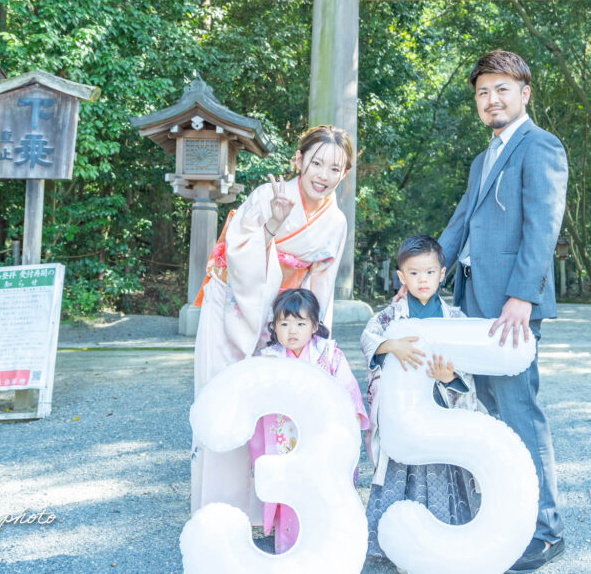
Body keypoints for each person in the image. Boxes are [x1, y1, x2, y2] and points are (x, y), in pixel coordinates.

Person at [437, 50, 568, 573]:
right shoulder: (483, 157)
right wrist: (421, 280)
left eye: (502, 90)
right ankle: (508, 511)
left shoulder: (541, 146)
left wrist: (523, 296)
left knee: (518, 407)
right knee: (486, 406)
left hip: (511, 305)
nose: (492, 99)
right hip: (472, 299)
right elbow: (460, 223)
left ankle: (546, 530)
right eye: (483, 92)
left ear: (525, 94)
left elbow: (543, 225)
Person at [190, 125, 353, 522]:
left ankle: (267, 510)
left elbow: (321, 285)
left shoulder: (335, 222)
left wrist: (310, 339)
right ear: (299, 161)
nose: (323, 175)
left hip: (283, 320)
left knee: (272, 406)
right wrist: (272, 227)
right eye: (317, 163)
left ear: (345, 174)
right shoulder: (268, 196)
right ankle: (220, 510)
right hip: (232, 306)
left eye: (335, 168)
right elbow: (238, 252)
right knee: (228, 401)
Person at [360, 235, 480, 562]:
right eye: (413, 273)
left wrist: (449, 377)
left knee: (442, 463)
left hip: (440, 407)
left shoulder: (455, 319)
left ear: (443, 274)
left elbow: (466, 371)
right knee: (402, 465)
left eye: (429, 272)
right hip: (403, 412)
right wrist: (391, 346)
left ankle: (444, 541)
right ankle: (391, 545)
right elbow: (368, 338)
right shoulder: (389, 317)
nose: (422, 280)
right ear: (401, 277)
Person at [249, 288, 370, 554]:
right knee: (289, 490)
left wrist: (344, 428)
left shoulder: (329, 354)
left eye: (301, 323)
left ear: (314, 325)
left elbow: (347, 392)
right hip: (283, 439)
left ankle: (327, 548)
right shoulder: (267, 359)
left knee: (322, 491)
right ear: (274, 327)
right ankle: (289, 550)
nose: (292, 330)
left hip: (321, 438)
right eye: (284, 323)